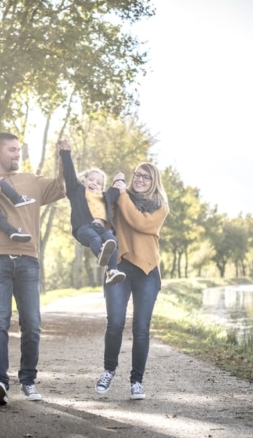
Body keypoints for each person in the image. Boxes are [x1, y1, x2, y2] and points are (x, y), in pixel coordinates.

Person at [0, 132, 65, 406]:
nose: (18, 154)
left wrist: (63, 158)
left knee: (32, 324)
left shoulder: (31, 180)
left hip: (28, 260)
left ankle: (28, 380)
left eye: (19, 149)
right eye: (12, 149)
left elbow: (61, 187)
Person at [94, 162, 169, 400]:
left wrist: (122, 192)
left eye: (146, 177)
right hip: (120, 265)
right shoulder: (120, 197)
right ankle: (109, 371)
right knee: (115, 322)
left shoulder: (160, 207)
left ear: (154, 182)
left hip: (147, 271)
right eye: (137, 175)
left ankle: (137, 381)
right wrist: (113, 189)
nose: (139, 179)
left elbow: (140, 222)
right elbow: (102, 211)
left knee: (141, 328)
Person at [57, 139, 125, 285]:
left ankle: (112, 271)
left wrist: (120, 179)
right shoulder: (77, 191)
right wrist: (65, 153)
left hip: (101, 229)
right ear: (84, 180)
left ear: (102, 187)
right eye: (91, 180)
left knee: (113, 241)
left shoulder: (104, 197)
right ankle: (101, 254)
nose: (94, 183)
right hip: (84, 228)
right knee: (95, 239)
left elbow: (115, 190)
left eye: (98, 182)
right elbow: (69, 175)